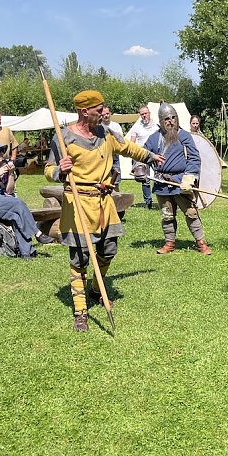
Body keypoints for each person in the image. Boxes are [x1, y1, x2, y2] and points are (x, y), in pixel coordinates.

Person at [46, 91, 163, 332]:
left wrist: (151, 157)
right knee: (79, 259)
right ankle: (80, 312)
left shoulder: (106, 133)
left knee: (109, 250)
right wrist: (59, 170)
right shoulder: (64, 137)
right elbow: (47, 169)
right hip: (78, 203)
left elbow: (128, 148)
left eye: (103, 109)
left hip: (103, 201)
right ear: (83, 111)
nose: (103, 113)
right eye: (98, 110)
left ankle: (96, 289)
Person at [144, 102, 212, 255]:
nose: (171, 121)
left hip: (181, 182)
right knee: (167, 215)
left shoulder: (184, 135)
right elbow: (142, 154)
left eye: (173, 117)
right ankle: (169, 242)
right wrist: (140, 168)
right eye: (167, 118)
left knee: (191, 213)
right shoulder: (154, 139)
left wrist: (189, 177)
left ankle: (201, 243)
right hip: (162, 183)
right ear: (161, 121)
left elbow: (194, 158)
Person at [0, 139, 53, 259]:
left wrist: (11, 173)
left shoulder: (4, 166)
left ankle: (26, 253)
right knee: (18, 203)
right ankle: (37, 233)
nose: (2, 153)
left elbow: (9, 191)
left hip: (7, 200)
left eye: (2, 150)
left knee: (16, 217)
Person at [127, 104, 160, 209]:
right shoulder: (136, 127)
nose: (144, 116)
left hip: (155, 154)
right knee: (144, 178)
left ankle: (162, 198)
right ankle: (148, 202)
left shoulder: (157, 126)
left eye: (146, 113)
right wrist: (133, 155)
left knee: (159, 177)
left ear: (149, 113)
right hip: (142, 154)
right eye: (142, 114)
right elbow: (132, 142)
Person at [100, 105, 124, 186]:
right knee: (103, 180)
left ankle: (116, 197)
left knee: (115, 181)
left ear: (110, 113)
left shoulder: (116, 125)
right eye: (103, 114)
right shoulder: (98, 126)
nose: (105, 116)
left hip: (114, 156)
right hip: (102, 157)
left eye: (107, 113)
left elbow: (121, 139)